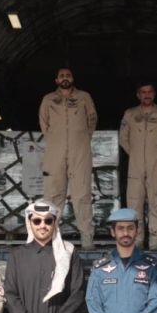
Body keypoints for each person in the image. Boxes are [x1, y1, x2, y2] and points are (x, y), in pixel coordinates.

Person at [39, 67, 98, 249]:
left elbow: (92, 119)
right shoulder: (49, 99)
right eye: (61, 76)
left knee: (82, 195)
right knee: (53, 194)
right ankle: (50, 239)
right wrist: (56, 139)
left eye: (68, 75)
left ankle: (87, 239)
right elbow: (44, 122)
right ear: (56, 80)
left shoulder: (84, 97)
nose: (65, 78)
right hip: (55, 151)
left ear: (72, 78)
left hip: (79, 150)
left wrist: (81, 138)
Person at [119, 82, 157, 249]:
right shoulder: (130, 114)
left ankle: (155, 242)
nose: (147, 95)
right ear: (138, 95)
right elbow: (123, 138)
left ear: (154, 94)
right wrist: (135, 153)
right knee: (134, 203)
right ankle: (136, 242)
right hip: (135, 165)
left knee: (155, 202)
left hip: (155, 165)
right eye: (143, 92)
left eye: (150, 91)